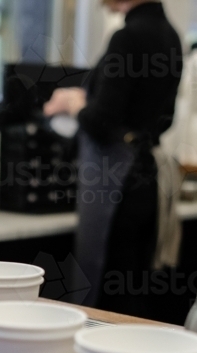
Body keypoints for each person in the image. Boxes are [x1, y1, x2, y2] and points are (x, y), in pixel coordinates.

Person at [43, 0, 182, 317]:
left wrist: (74, 103)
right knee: (132, 287)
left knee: (103, 286)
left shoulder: (127, 37)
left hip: (116, 179)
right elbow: (166, 119)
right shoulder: (170, 34)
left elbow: (102, 122)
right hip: (148, 174)